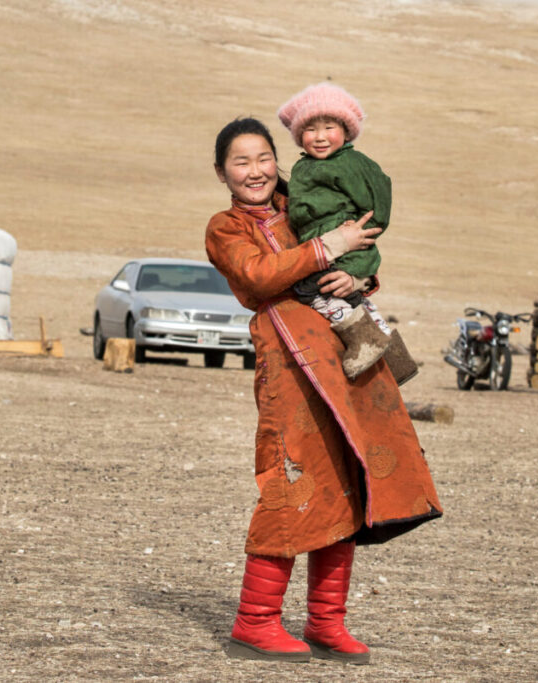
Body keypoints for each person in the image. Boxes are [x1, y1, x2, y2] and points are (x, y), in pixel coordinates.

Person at [205, 117, 442, 665]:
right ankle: (255, 621)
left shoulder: (309, 199)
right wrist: (325, 248)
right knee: (290, 478)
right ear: (222, 173)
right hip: (289, 361)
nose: (256, 171)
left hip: (349, 357)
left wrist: (357, 276)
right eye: (241, 163)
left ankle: (325, 622)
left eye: (264, 158)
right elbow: (259, 277)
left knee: (350, 475)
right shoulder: (225, 227)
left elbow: (359, 239)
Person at [276, 82, 417, 383]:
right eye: (310, 129)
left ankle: (363, 342)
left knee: (313, 290)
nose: (320, 136)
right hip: (327, 243)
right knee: (355, 299)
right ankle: (393, 355)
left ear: (346, 130)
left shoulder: (353, 163)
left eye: (329, 127)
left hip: (346, 245)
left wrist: (366, 228)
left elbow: (380, 195)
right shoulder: (305, 167)